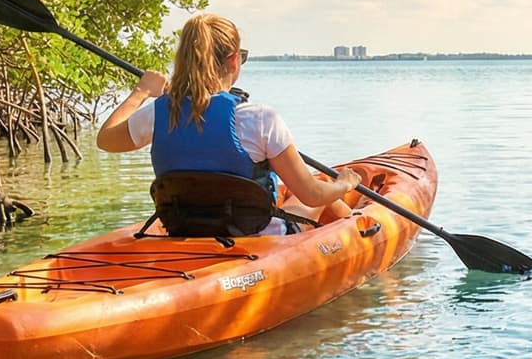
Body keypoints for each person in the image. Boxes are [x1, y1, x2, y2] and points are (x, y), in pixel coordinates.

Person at [96, 12, 359, 232]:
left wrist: (141, 92)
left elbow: (105, 139)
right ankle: (364, 233)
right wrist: (344, 184)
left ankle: (360, 231)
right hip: (257, 238)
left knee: (298, 192)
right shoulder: (260, 118)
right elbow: (311, 194)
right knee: (324, 195)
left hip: (186, 229)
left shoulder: (157, 113)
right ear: (233, 60)